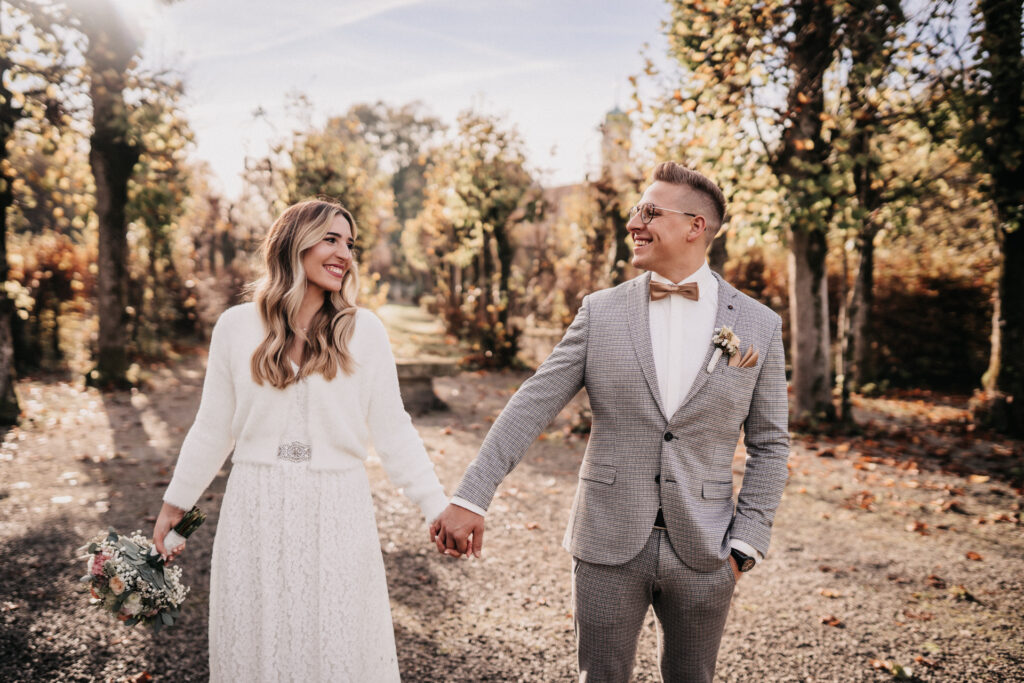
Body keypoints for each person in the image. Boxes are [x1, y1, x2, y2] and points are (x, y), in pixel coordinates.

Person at [431, 162, 790, 682]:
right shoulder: (600, 312)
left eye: (649, 212)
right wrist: (471, 497)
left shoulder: (760, 324)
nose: (633, 222)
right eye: (635, 210)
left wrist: (745, 544)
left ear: (696, 226)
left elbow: (771, 444)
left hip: (708, 550)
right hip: (605, 544)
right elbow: (532, 404)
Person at [153, 198, 448, 681]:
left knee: (335, 645)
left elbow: (394, 430)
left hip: (338, 508)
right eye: (331, 239)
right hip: (255, 507)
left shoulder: (364, 331)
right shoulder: (235, 327)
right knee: (258, 645)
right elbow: (212, 427)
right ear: (294, 243)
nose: (344, 254)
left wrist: (436, 506)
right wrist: (175, 505)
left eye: (349, 244)